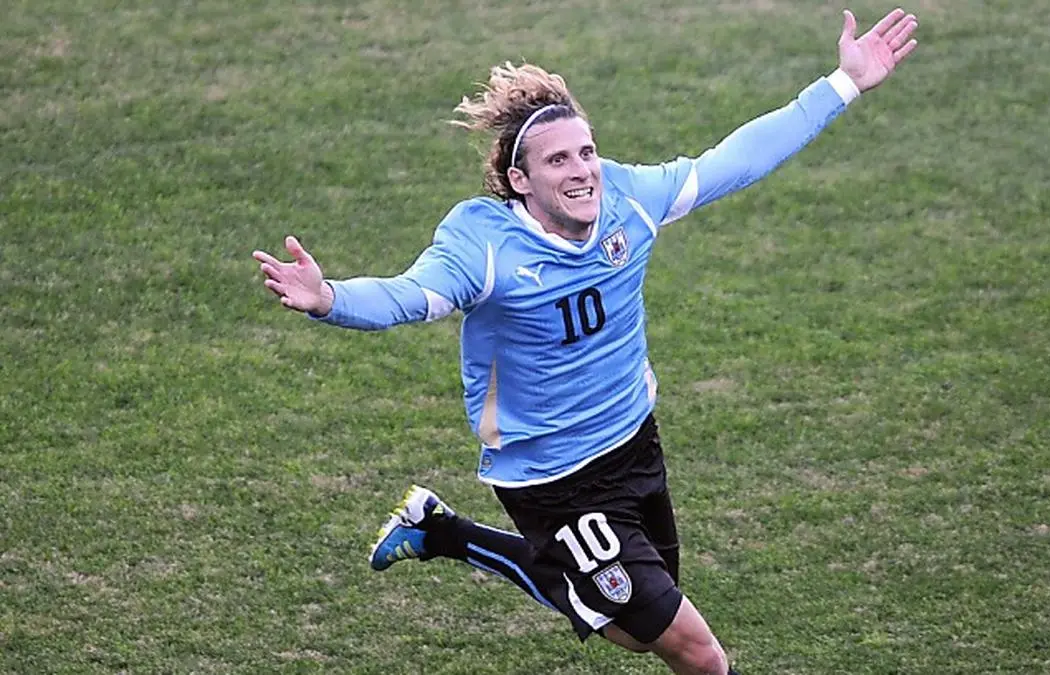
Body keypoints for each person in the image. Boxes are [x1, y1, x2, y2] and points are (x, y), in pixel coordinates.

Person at [253, 8, 917, 674]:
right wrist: (330, 299)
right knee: (700, 656)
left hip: (633, 444)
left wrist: (844, 83)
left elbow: (734, 161)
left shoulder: (628, 200)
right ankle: (449, 533)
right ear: (521, 181)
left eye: (587, 152)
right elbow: (408, 295)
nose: (582, 171)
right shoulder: (483, 244)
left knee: (634, 634)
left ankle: (440, 531)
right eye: (559, 160)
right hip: (554, 478)